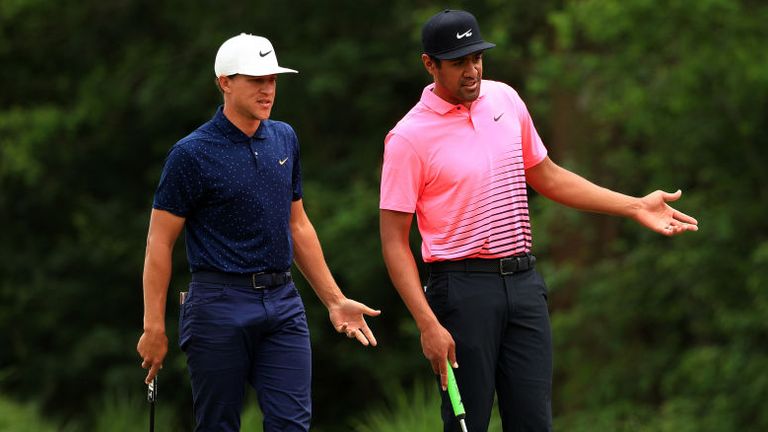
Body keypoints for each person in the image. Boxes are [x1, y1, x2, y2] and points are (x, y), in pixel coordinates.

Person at [379, 9, 698, 432]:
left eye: (476, 57)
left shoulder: (505, 99)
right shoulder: (408, 138)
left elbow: (545, 175)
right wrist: (427, 324)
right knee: (466, 424)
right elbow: (393, 242)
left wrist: (634, 205)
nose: (472, 70)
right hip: (461, 292)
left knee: (534, 423)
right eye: (458, 62)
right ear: (429, 64)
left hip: (525, 285)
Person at [136, 33, 380, 432]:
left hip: (283, 302)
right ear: (225, 82)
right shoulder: (191, 153)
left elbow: (297, 225)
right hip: (217, 304)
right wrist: (154, 326)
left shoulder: (284, 137)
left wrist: (334, 301)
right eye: (256, 80)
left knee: (292, 424)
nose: (268, 90)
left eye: (272, 79)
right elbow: (159, 243)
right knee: (219, 425)